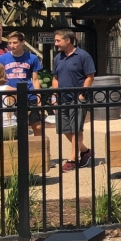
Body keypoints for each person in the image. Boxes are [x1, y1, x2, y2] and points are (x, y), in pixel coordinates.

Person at [51, 29, 96, 171]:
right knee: (64, 129)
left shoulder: (83, 56)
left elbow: (90, 76)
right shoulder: (58, 58)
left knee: (76, 129)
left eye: (58, 40)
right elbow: (55, 78)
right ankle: (85, 151)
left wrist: (82, 94)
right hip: (62, 99)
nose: (56, 43)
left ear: (68, 40)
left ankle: (72, 159)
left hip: (77, 99)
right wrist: (54, 96)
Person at [0, 32, 42, 137]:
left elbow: (35, 79)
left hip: (29, 95)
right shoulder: (1, 59)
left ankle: (39, 148)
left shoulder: (32, 58)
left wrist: (38, 97)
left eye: (15, 42)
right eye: (10, 43)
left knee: (36, 125)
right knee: (17, 125)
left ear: (23, 42)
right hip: (10, 96)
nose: (12, 45)